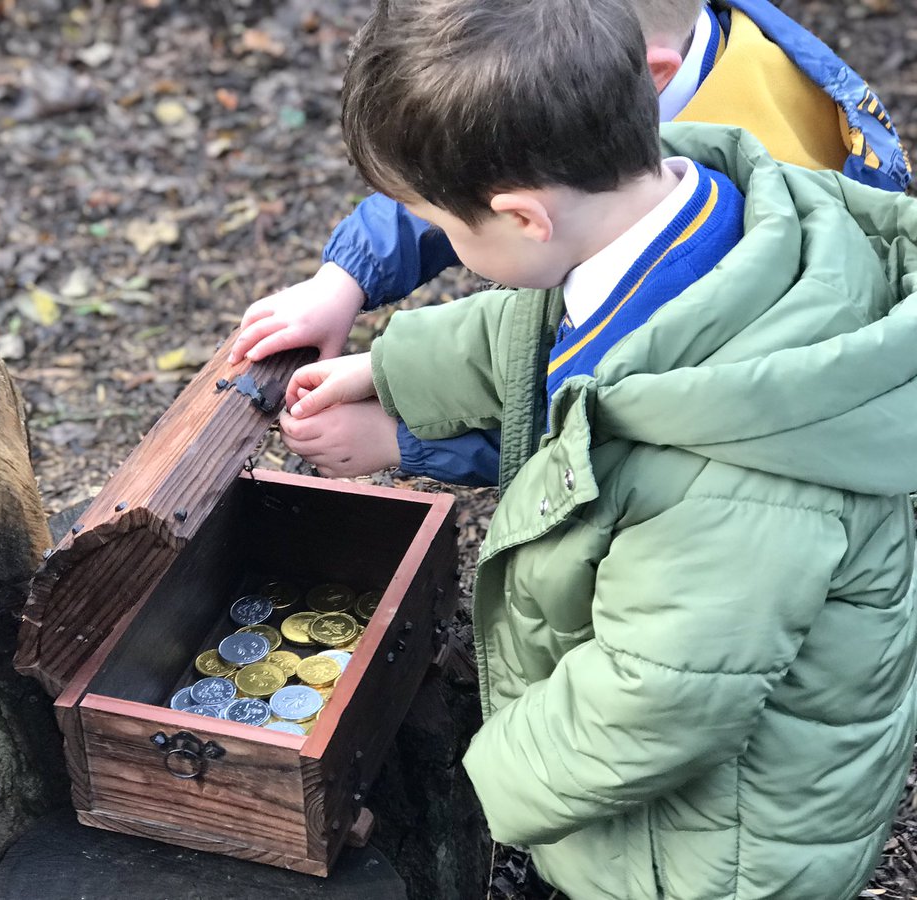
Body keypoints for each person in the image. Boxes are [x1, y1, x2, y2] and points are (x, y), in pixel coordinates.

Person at [280, 0, 917, 896]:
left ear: (525, 218)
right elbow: (542, 327)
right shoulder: (670, 215)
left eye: (448, 229)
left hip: (712, 849)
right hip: (671, 760)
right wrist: (390, 375)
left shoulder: (729, 477)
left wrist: (470, 787)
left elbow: (651, 707)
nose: (453, 250)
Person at [231, 0, 911, 486]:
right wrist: (346, 284)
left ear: (650, 76)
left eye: (445, 224)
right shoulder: (626, 128)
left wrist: (401, 441)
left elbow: (597, 440)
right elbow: (457, 155)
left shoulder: (703, 298)